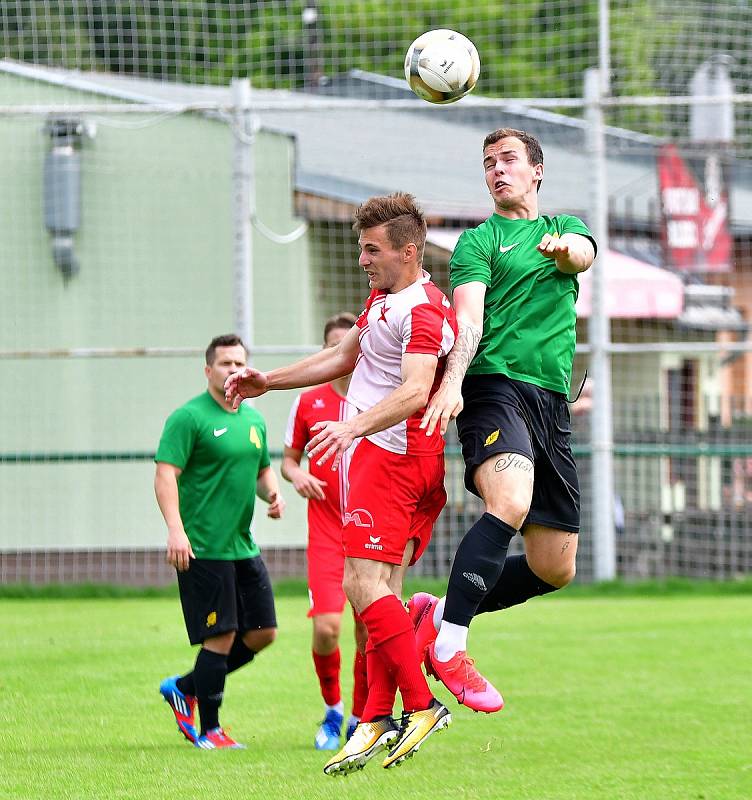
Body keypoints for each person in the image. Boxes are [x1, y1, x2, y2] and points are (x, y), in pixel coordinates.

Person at [225, 193, 458, 775]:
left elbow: (413, 392)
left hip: (394, 460)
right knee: (380, 588)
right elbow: (343, 356)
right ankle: (376, 714)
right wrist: (268, 381)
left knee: (361, 587)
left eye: (372, 249)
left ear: (409, 251)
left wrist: (351, 427)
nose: (362, 258)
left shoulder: (423, 309)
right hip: (393, 460)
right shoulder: (385, 297)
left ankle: (422, 705)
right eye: (360, 247)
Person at [409, 128, 596, 714]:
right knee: (508, 501)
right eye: (488, 163)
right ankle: (450, 646)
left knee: (553, 566)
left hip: (551, 404)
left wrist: (566, 253)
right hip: (493, 388)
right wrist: (456, 381)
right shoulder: (478, 241)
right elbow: (467, 319)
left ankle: (438, 614)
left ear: (537, 171)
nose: (497, 170)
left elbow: (584, 254)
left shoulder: (563, 229)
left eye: (508, 160)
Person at [154, 333, 285, 749]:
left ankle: (186, 686)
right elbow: (165, 474)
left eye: (239, 363)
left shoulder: (254, 420)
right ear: (208, 370)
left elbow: (261, 469)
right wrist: (176, 529)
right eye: (225, 363)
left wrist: (274, 492)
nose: (233, 370)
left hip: (242, 546)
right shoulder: (188, 418)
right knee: (222, 636)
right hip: (203, 548)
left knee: (263, 632)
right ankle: (210, 730)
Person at [282, 312, 369, 750]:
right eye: (335, 347)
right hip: (326, 533)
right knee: (327, 629)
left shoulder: (379, 398)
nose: (344, 354)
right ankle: (333, 711)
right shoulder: (309, 401)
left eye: (349, 346)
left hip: (370, 531)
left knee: (366, 631)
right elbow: (288, 459)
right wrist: (295, 476)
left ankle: (359, 719)